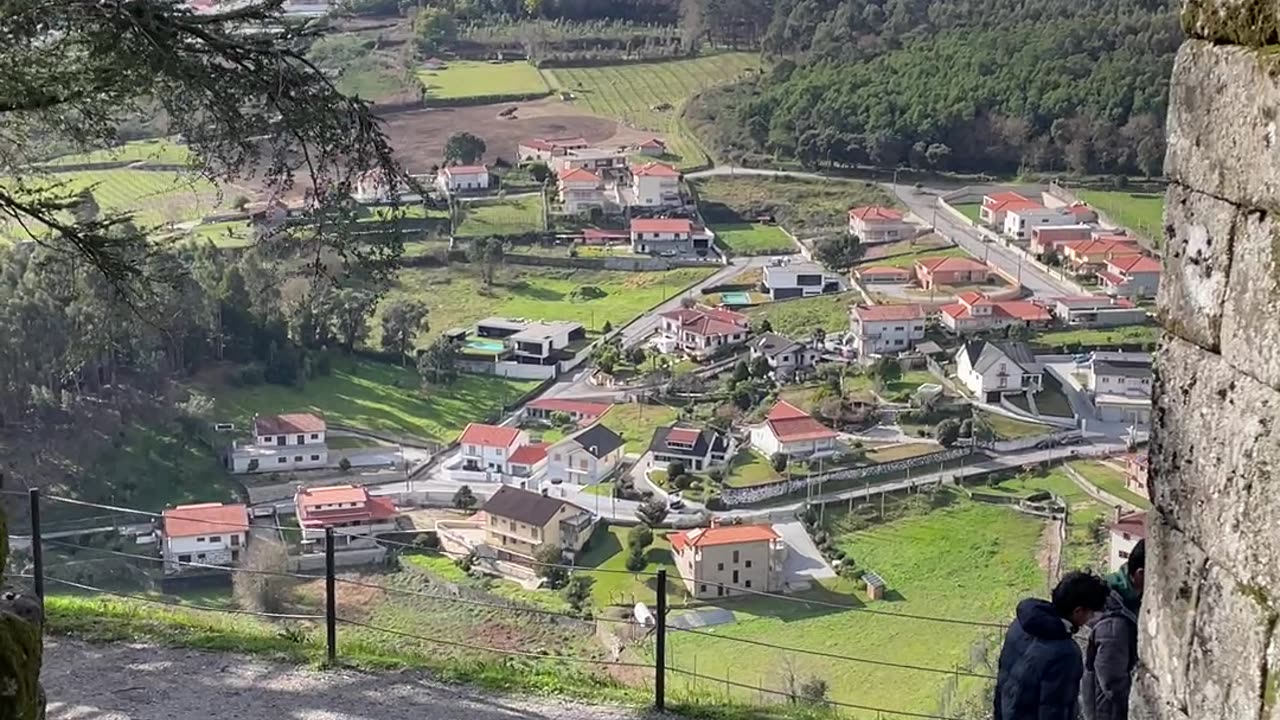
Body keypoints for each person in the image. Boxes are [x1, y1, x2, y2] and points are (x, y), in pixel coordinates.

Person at [994, 570, 1111, 720]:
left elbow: (1003, 682)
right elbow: (1055, 711)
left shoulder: (1020, 625)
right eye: (1091, 613)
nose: (1092, 619)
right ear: (1078, 611)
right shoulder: (1066, 653)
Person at [1081, 540, 1146, 720]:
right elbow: (1112, 681)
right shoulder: (1114, 616)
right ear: (1140, 573)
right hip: (1107, 711)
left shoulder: (1126, 597)